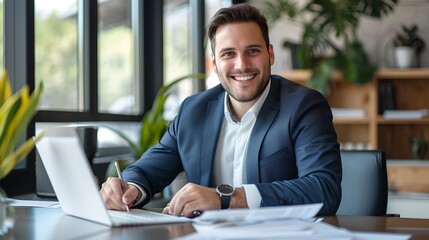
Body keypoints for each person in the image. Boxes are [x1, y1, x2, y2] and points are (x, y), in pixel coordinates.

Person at [100, 3, 342, 217]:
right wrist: (128, 188)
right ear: (214, 63)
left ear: (270, 54)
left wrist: (227, 198)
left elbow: (323, 189)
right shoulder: (192, 111)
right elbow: (148, 171)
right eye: (228, 54)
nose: (242, 64)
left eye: (252, 51)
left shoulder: (304, 106)